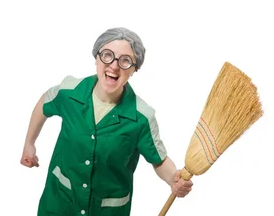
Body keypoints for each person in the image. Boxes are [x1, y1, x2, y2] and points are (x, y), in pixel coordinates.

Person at [20, 27, 193, 215]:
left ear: (134, 69)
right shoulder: (69, 92)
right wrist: (29, 144)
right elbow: (44, 102)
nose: (114, 66)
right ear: (96, 58)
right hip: (60, 203)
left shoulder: (141, 117)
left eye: (125, 60)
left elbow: (159, 160)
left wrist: (173, 180)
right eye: (108, 55)